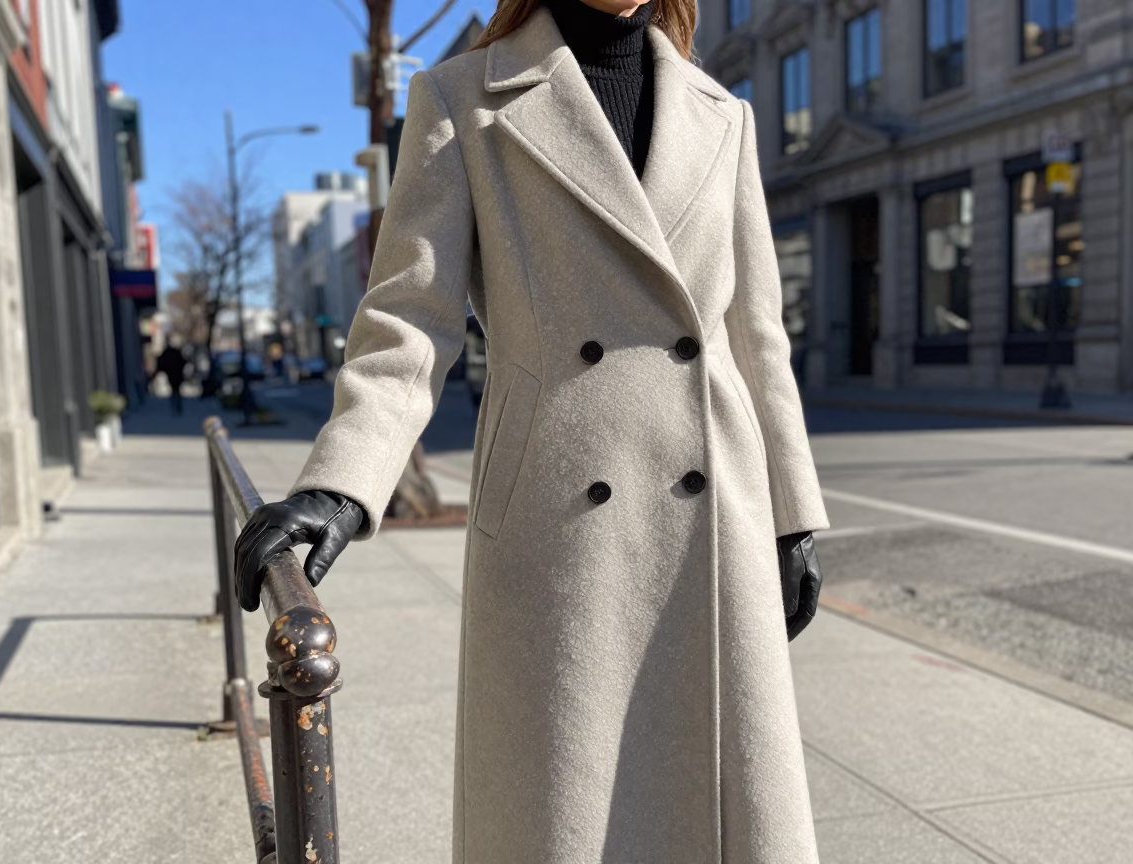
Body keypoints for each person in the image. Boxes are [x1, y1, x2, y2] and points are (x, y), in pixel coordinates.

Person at [234, 1, 829, 861]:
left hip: (715, 509)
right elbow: (409, 317)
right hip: (560, 518)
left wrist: (793, 513)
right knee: (568, 807)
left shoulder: (721, 113)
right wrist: (341, 482)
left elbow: (755, 336)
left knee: (724, 808)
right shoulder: (461, 97)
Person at [155, 339, 187, 416]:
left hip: (171, 373)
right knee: (177, 390)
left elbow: (161, 362)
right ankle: (178, 405)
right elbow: (183, 361)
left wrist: (161, 370)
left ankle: (175, 404)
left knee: (174, 390)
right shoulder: (176, 352)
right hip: (177, 373)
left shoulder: (167, 353)